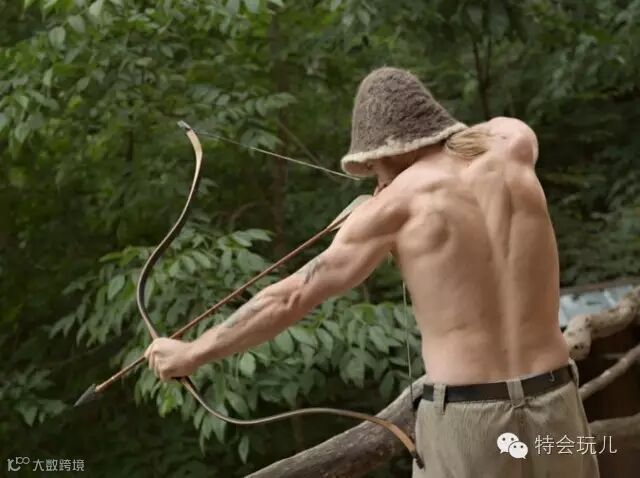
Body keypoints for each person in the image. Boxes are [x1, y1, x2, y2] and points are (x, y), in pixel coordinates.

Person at [144, 67, 599, 477]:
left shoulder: (394, 208)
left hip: (470, 424)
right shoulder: (513, 148)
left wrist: (192, 353)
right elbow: (484, 136)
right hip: (556, 403)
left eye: (373, 167)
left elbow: (291, 297)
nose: (374, 179)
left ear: (385, 150)